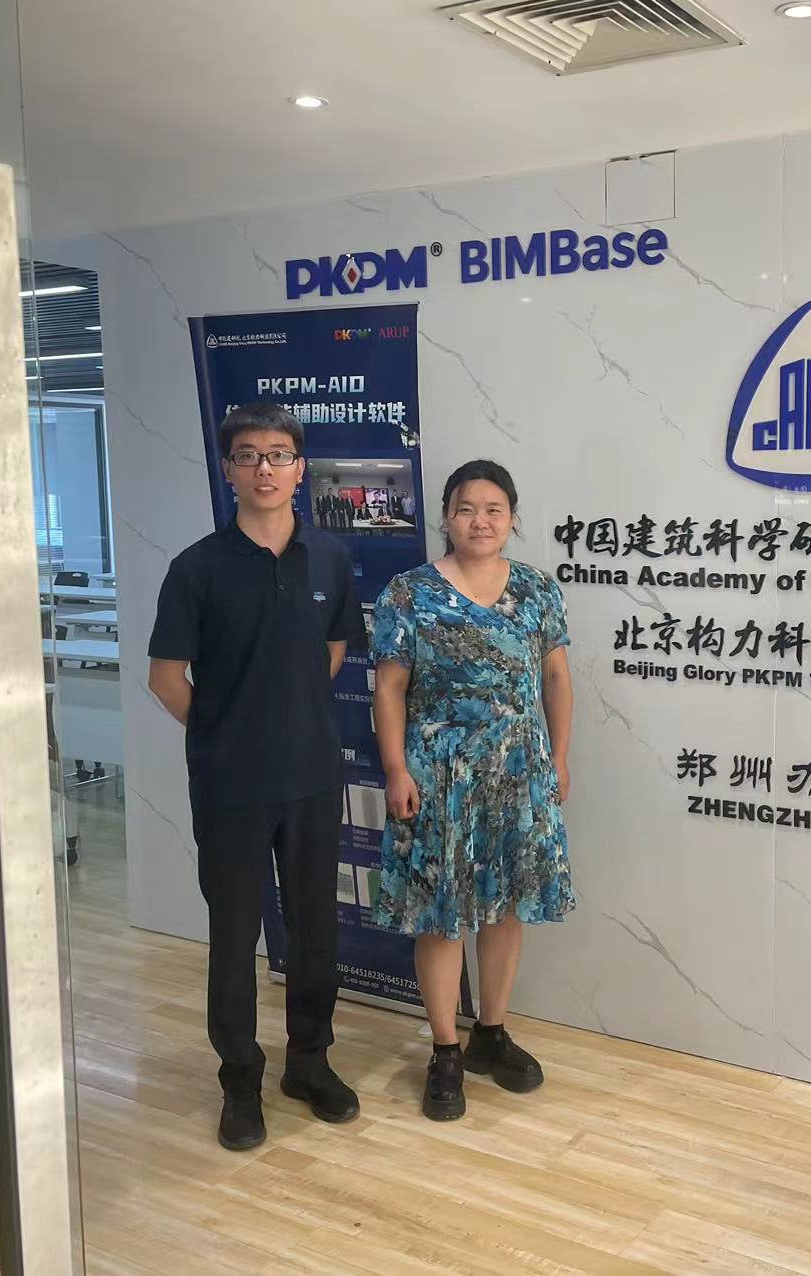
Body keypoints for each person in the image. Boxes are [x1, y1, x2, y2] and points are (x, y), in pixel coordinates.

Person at [147, 402, 366, 1151]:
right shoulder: (196, 568)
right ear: (229, 470)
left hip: (311, 777)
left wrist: (286, 717)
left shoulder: (329, 559)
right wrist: (226, 733)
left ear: (301, 470)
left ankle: (309, 1062)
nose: (265, 468)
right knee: (235, 934)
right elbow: (166, 678)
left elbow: (333, 650)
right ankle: (240, 1080)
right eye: (249, 455)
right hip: (230, 787)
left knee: (314, 928)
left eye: (279, 454)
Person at [370, 459, 576, 1121]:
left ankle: (491, 1032)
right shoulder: (409, 593)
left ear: (512, 518)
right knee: (443, 912)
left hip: (519, 771)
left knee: (506, 905)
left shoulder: (537, 590)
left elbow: (557, 680)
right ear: (446, 517)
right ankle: (445, 1050)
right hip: (439, 776)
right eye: (466, 509)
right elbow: (389, 689)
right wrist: (396, 769)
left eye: (493, 509)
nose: (480, 521)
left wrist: (558, 757)